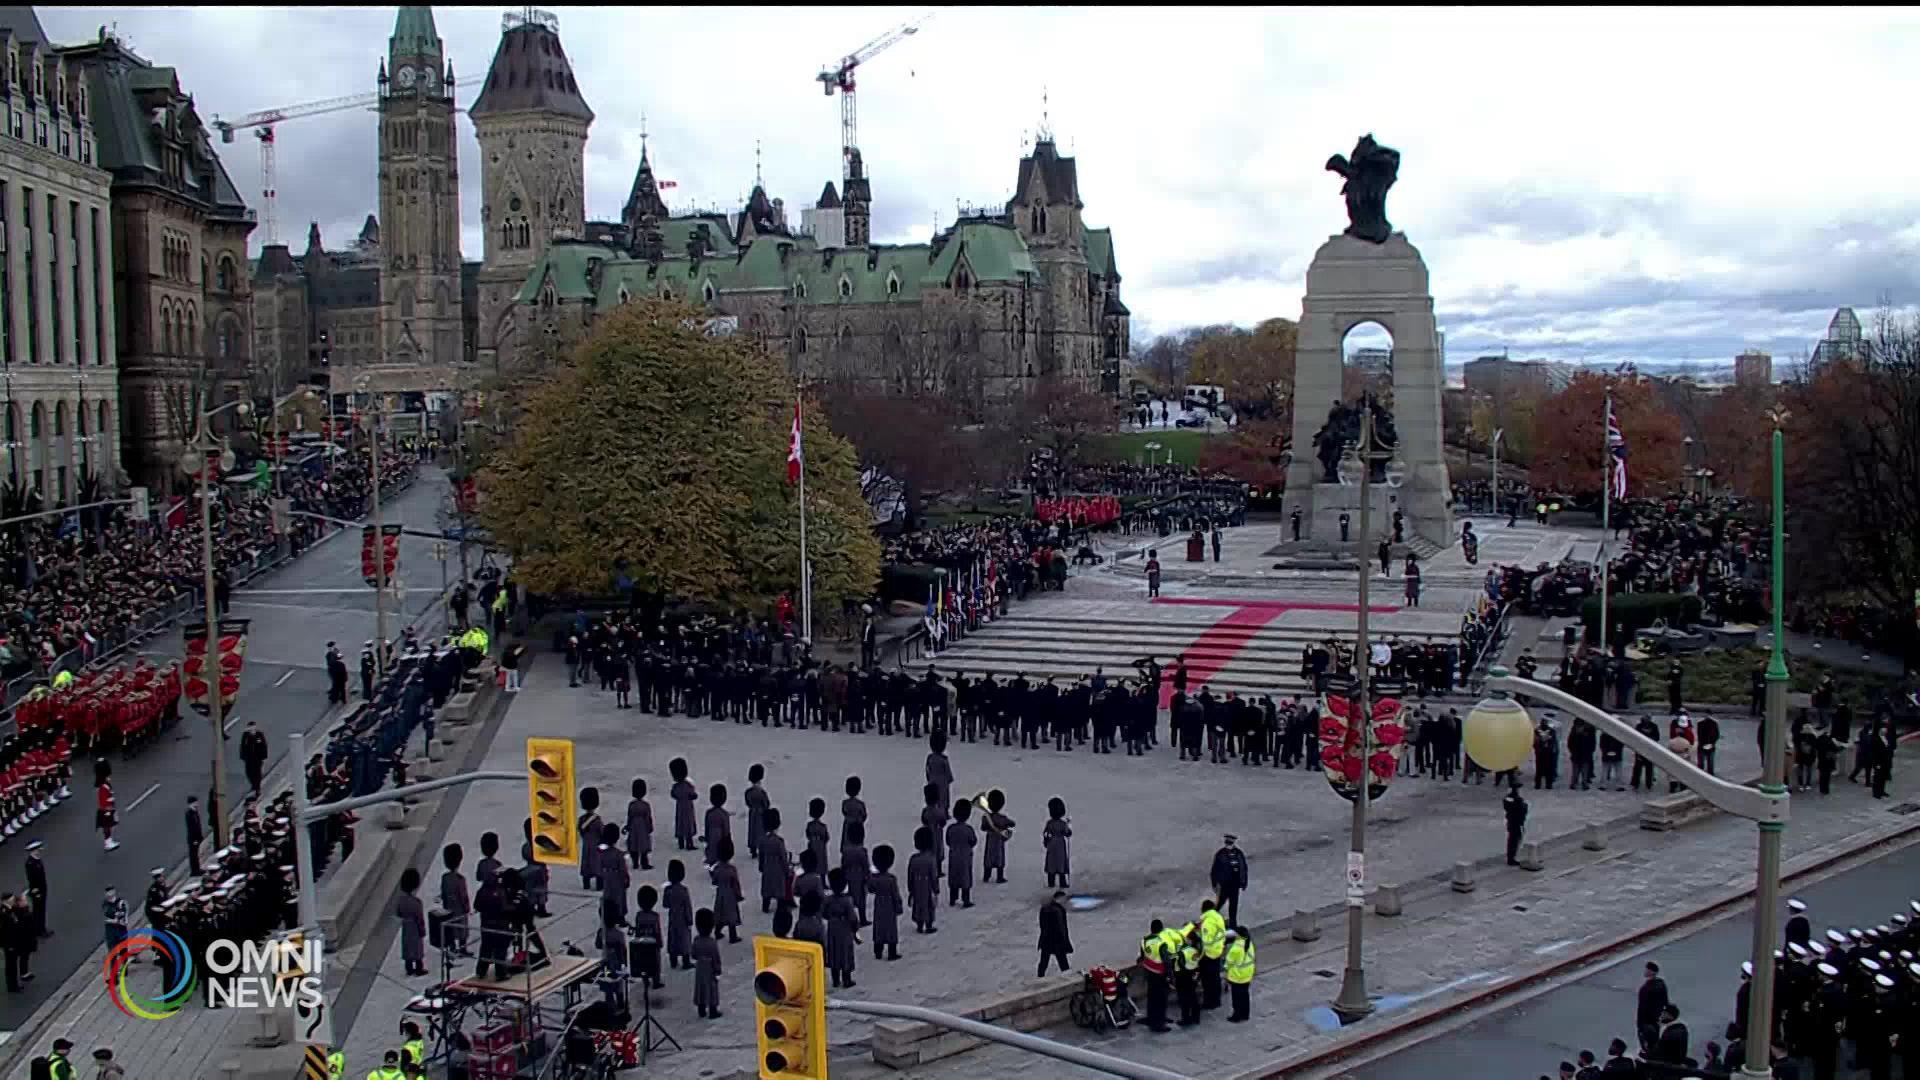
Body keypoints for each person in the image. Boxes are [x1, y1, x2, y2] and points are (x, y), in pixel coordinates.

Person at [868, 844, 902, 961]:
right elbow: (895, 894)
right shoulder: (891, 879)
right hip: (890, 906)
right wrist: (898, 906)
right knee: (891, 929)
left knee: (879, 928)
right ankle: (892, 952)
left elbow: (870, 889)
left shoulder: (875, 879)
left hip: (879, 904)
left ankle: (878, 950)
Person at [1209, 835, 1248, 927]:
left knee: (1233, 907)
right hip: (1225, 884)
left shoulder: (1238, 853)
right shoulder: (1221, 854)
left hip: (1235, 884)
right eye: (1227, 843)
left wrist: (1243, 881)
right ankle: (1210, 919)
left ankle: (1233, 926)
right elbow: (1214, 870)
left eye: (1230, 843)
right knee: (1219, 904)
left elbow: (1243, 868)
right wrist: (1214, 883)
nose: (1228, 845)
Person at [691, 908, 722, 1019]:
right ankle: (712, 1010)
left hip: (700, 967)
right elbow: (716, 957)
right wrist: (718, 969)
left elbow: (693, 954)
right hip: (710, 967)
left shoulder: (696, 940)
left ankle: (701, 1008)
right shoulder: (712, 942)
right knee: (712, 989)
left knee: (700, 988)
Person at [397, 867, 427, 978]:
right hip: (415, 928)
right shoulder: (417, 902)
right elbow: (420, 918)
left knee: (407, 948)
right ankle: (419, 968)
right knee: (417, 948)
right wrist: (422, 930)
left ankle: (409, 968)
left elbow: (399, 913)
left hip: (406, 927)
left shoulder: (401, 901)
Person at [1636, 961, 1669, 1055]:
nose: (1645, 971)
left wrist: (1640, 1024)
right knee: (1655, 1040)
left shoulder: (1646, 988)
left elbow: (1642, 1008)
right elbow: (1665, 1001)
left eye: (1647, 970)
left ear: (1652, 972)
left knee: (1647, 1043)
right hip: (1656, 1019)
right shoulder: (1661, 984)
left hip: (1646, 1021)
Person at [1036, 889, 1073, 976]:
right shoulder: (1057, 910)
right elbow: (1061, 927)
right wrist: (1065, 941)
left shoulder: (1046, 909)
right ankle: (1068, 978)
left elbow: (1043, 926)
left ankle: (1040, 977)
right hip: (1057, 941)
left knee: (1044, 961)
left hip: (1046, 940)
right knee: (1063, 963)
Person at [1224, 926, 1255, 1022]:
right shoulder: (1249, 943)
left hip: (1237, 976)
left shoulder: (1236, 947)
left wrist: (1226, 971)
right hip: (1247, 974)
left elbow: (1228, 962)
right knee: (1245, 995)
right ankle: (1245, 1014)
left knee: (1236, 998)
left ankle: (1236, 1016)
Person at [1043, 797, 1072, 889]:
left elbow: (1046, 833)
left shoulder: (1049, 823)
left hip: (1052, 843)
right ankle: (1062, 881)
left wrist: (1046, 840)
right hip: (1060, 843)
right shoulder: (1063, 824)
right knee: (1061, 862)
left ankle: (1051, 881)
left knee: (1052, 862)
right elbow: (1067, 833)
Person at [24, 840, 50, 937]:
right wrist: (36, 892)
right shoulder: (31, 863)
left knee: (41, 910)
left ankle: (40, 928)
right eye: (38, 849)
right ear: (33, 850)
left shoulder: (37, 860)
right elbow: (32, 880)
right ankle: (40, 930)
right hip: (37, 890)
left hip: (42, 888)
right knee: (38, 911)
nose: (39, 851)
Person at [239, 721, 269, 797]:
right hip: (249, 758)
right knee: (249, 772)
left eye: (253, 727)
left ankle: (257, 788)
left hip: (258, 758)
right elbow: (242, 746)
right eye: (250, 727)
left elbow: (263, 745)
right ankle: (253, 784)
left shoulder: (259, 735)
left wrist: (264, 756)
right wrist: (243, 756)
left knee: (257, 773)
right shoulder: (245, 735)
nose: (252, 728)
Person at [1502, 784, 1528, 866]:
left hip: (1510, 821)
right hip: (1517, 822)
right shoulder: (1518, 800)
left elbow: (1506, 806)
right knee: (1514, 840)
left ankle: (1511, 857)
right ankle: (1511, 858)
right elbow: (1522, 808)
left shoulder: (1508, 798)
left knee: (1511, 840)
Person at [101, 887, 129, 952]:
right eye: (107, 892)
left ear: (114, 891)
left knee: (123, 949)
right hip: (110, 929)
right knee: (112, 950)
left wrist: (117, 919)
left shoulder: (121, 902)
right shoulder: (105, 903)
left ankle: (124, 961)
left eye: (110, 891)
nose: (109, 893)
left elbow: (124, 916)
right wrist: (115, 917)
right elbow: (105, 916)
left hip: (120, 929)